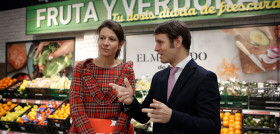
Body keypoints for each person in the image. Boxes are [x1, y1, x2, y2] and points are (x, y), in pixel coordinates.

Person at [110, 20, 221, 134]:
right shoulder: (159, 78)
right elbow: (144, 117)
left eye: (160, 42)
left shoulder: (204, 78)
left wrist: (172, 116)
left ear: (178, 41)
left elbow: (212, 127)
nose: (156, 48)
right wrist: (131, 102)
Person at [69, 20, 135, 134]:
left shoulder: (127, 71)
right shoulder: (82, 68)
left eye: (112, 39)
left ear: (121, 43)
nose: (105, 43)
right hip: (83, 130)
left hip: (115, 130)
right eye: (102, 38)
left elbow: (126, 112)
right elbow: (76, 108)